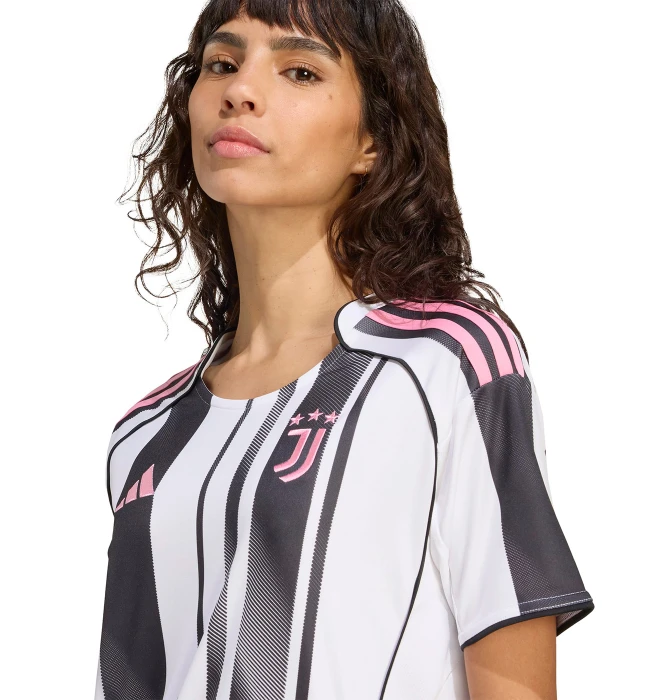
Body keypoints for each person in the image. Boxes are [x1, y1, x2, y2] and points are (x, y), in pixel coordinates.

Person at [94, 1, 594, 698]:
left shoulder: (448, 363)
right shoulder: (146, 434)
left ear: (373, 142)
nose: (241, 90)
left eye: (300, 71)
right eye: (222, 64)